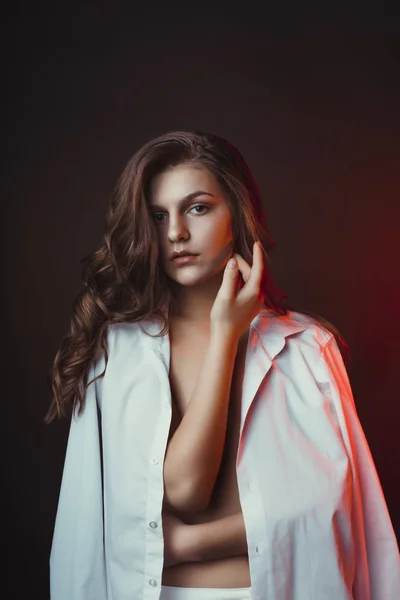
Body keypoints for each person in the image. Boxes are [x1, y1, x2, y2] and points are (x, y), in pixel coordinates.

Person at [46, 130, 400, 600]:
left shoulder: (307, 349)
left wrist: (190, 541)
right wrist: (225, 341)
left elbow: (347, 517)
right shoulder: (117, 354)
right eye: (157, 215)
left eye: (197, 207)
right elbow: (169, 496)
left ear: (237, 212)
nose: (175, 232)